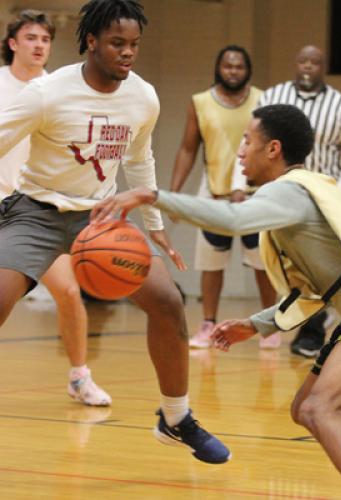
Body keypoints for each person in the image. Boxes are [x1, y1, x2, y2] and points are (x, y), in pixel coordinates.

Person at [92, 104, 341, 498]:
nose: (241, 151)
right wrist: (255, 325)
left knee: (321, 409)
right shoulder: (303, 189)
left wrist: (151, 195)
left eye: (247, 140)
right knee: (306, 410)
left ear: (273, 149)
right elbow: (312, 292)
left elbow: (232, 220)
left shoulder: (289, 190)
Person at [0, 0, 229, 464]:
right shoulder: (47, 92)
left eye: (134, 45)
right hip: (36, 212)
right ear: (90, 41)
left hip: (101, 220)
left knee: (167, 302)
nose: (128, 53)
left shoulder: (142, 97)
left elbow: (139, 160)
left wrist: (156, 226)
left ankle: (176, 418)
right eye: (117, 43)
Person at [0, 9, 110, 406]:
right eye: (31, 38)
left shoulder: (58, 89)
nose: (39, 45)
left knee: (67, 291)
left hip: (35, 210)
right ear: (13, 43)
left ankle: (80, 377)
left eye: (45, 40)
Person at [232, 45, 341, 359]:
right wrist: (238, 183)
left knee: (318, 267)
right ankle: (287, 322)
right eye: (303, 60)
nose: (308, 66)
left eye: (315, 62)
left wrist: (338, 197)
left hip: (320, 200)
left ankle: (311, 331)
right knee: (284, 266)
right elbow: (248, 140)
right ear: (295, 63)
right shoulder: (273, 97)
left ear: (324, 67)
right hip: (278, 194)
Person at [170, 45, 280, 349]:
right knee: (210, 263)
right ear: (218, 69)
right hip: (214, 193)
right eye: (228, 66)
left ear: (248, 70)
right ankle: (208, 323)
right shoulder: (200, 102)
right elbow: (188, 148)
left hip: (257, 195)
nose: (233, 71)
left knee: (263, 263)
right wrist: (175, 193)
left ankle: (269, 326)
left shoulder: (263, 99)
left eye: (239, 66)